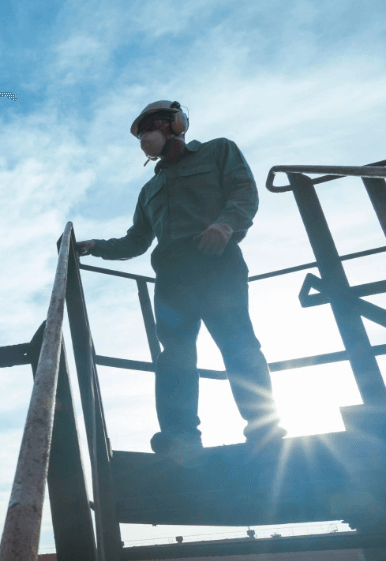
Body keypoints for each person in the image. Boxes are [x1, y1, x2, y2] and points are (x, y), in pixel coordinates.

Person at [76, 100, 286, 462]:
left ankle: (264, 429)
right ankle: (180, 437)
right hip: (172, 280)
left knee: (237, 344)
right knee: (174, 356)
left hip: (216, 264)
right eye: (141, 132)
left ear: (176, 123)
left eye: (152, 125)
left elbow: (244, 192)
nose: (145, 136)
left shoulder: (219, 150)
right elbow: (136, 242)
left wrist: (225, 224)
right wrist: (95, 247)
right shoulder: (149, 191)